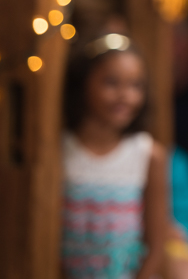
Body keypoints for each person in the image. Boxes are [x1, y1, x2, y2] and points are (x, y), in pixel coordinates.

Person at [61, 33, 168, 279]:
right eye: (111, 82)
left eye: (135, 85)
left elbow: (156, 245)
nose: (125, 95)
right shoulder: (59, 151)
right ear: (83, 82)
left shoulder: (148, 154)